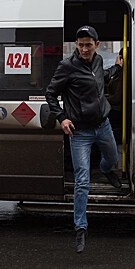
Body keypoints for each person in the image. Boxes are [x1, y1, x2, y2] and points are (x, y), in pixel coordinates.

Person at [45, 25, 123, 254]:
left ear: (96, 45)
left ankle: (107, 170)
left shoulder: (98, 62)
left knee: (112, 159)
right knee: (82, 181)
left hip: (103, 125)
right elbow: (50, 93)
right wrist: (62, 118)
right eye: (81, 45)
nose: (84, 49)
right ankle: (80, 228)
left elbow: (103, 77)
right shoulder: (67, 66)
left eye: (88, 44)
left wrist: (117, 69)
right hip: (80, 132)